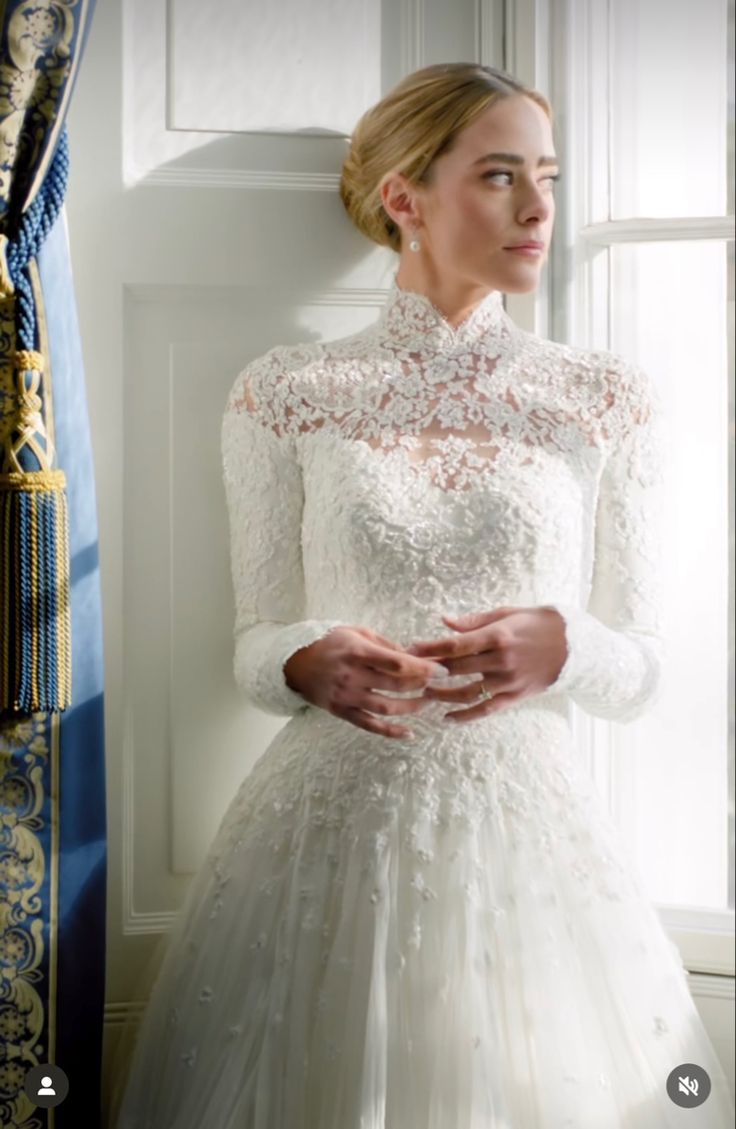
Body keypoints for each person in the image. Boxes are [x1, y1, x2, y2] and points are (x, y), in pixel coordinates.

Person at [111, 63, 735, 1128]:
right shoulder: (285, 392)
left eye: (545, 174)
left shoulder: (602, 399)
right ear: (404, 199)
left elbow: (644, 669)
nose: (539, 207)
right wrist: (300, 658)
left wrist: (568, 647)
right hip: (324, 832)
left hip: (529, 841)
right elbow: (253, 641)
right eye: (499, 177)